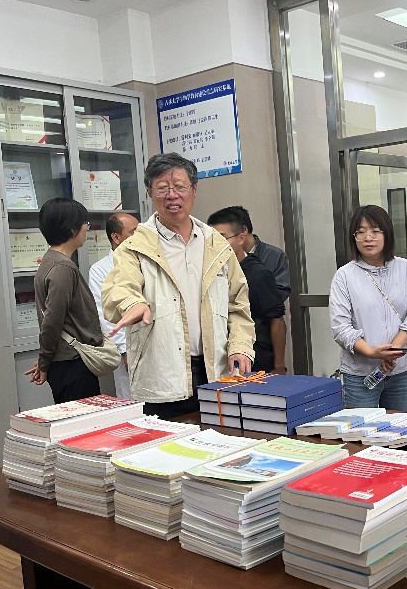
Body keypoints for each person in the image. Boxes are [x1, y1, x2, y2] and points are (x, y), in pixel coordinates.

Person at [102, 152, 255, 420]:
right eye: (162, 188)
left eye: (180, 187)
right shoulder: (134, 247)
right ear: (150, 192)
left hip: (217, 373)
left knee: (221, 440)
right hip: (163, 378)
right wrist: (133, 303)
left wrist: (241, 346)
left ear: (194, 190)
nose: (172, 195)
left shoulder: (216, 245)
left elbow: (238, 304)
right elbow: (119, 288)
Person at [330, 205, 407, 411]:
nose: (368, 237)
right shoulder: (344, 276)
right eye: (361, 232)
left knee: (400, 428)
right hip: (360, 374)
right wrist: (373, 353)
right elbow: (341, 328)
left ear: (387, 234)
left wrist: (391, 350)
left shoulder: (404, 268)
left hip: (400, 371)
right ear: (354, 237)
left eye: (375, 231)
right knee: (360, 429)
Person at [25, 198, 104, 403]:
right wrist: (44, 361)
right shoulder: (62, 268)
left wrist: (46, 359)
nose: (87, 228)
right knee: (83, 420)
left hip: (66, 361)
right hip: (72, 363)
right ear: (72, 229)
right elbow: (52, 320)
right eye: (84, 223)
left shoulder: (51, 260)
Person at [208, 208, 287, 374]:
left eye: (222, 238)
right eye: (211, 239)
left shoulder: (258, 274)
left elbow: (277, 320)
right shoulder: (211, 271)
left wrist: (279, 366)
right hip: (220, 358)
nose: (216, 244)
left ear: (241, 238)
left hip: (254, 359)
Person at [88, 212, 139, 399]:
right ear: (116, 237)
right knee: (131, 398)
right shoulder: (100, 269)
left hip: (154, 343)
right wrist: (124, 350)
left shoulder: (145, 261)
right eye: (134, 232)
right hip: (127, 346)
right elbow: (105, 314)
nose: (139, 237)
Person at [217, 205, 290, 301]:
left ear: (244, 230)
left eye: (224, 236)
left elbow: (280, 293)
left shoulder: (275, 256)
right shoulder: (221, 257)